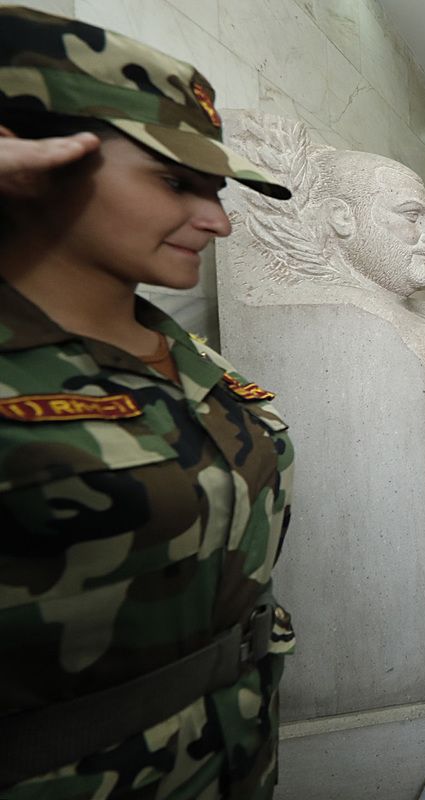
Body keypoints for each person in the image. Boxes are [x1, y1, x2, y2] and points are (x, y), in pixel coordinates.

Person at [0, 7, 295, 796]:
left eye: (216, 189)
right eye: (174, 182)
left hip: (235, 754)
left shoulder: (187, 356)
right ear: (30, 157)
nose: (218, 220)